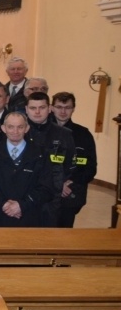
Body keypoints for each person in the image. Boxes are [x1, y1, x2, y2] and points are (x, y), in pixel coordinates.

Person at [0, 112, 53, 227]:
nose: (15, 131)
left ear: (27, 128)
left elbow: (47, 187)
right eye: (10, 127)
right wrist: (4, 204)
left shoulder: (41, 154)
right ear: (3, 128)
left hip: (30, 217)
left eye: (20, 127)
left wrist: (21, 205)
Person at [24, 92, 75, 226]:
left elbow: (69, 164)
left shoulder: (64, 134)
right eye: (33, 108)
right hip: (24, 194)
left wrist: (62, 182)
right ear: (26, 109)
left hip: (53, 197)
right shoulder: (18, 132)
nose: (37, 112)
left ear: (50, 108)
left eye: (42, 107)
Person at [50, 92, 97, 228]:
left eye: (67, 107)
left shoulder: (84, 134)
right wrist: (58, 184)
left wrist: (71, 182)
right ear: (52, 108)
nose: (63, 111)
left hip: (71, 192)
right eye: (59, 107)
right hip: (48, 192)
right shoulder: (43, 132)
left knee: (64, 236)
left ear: (74, 109)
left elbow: (90, 166)